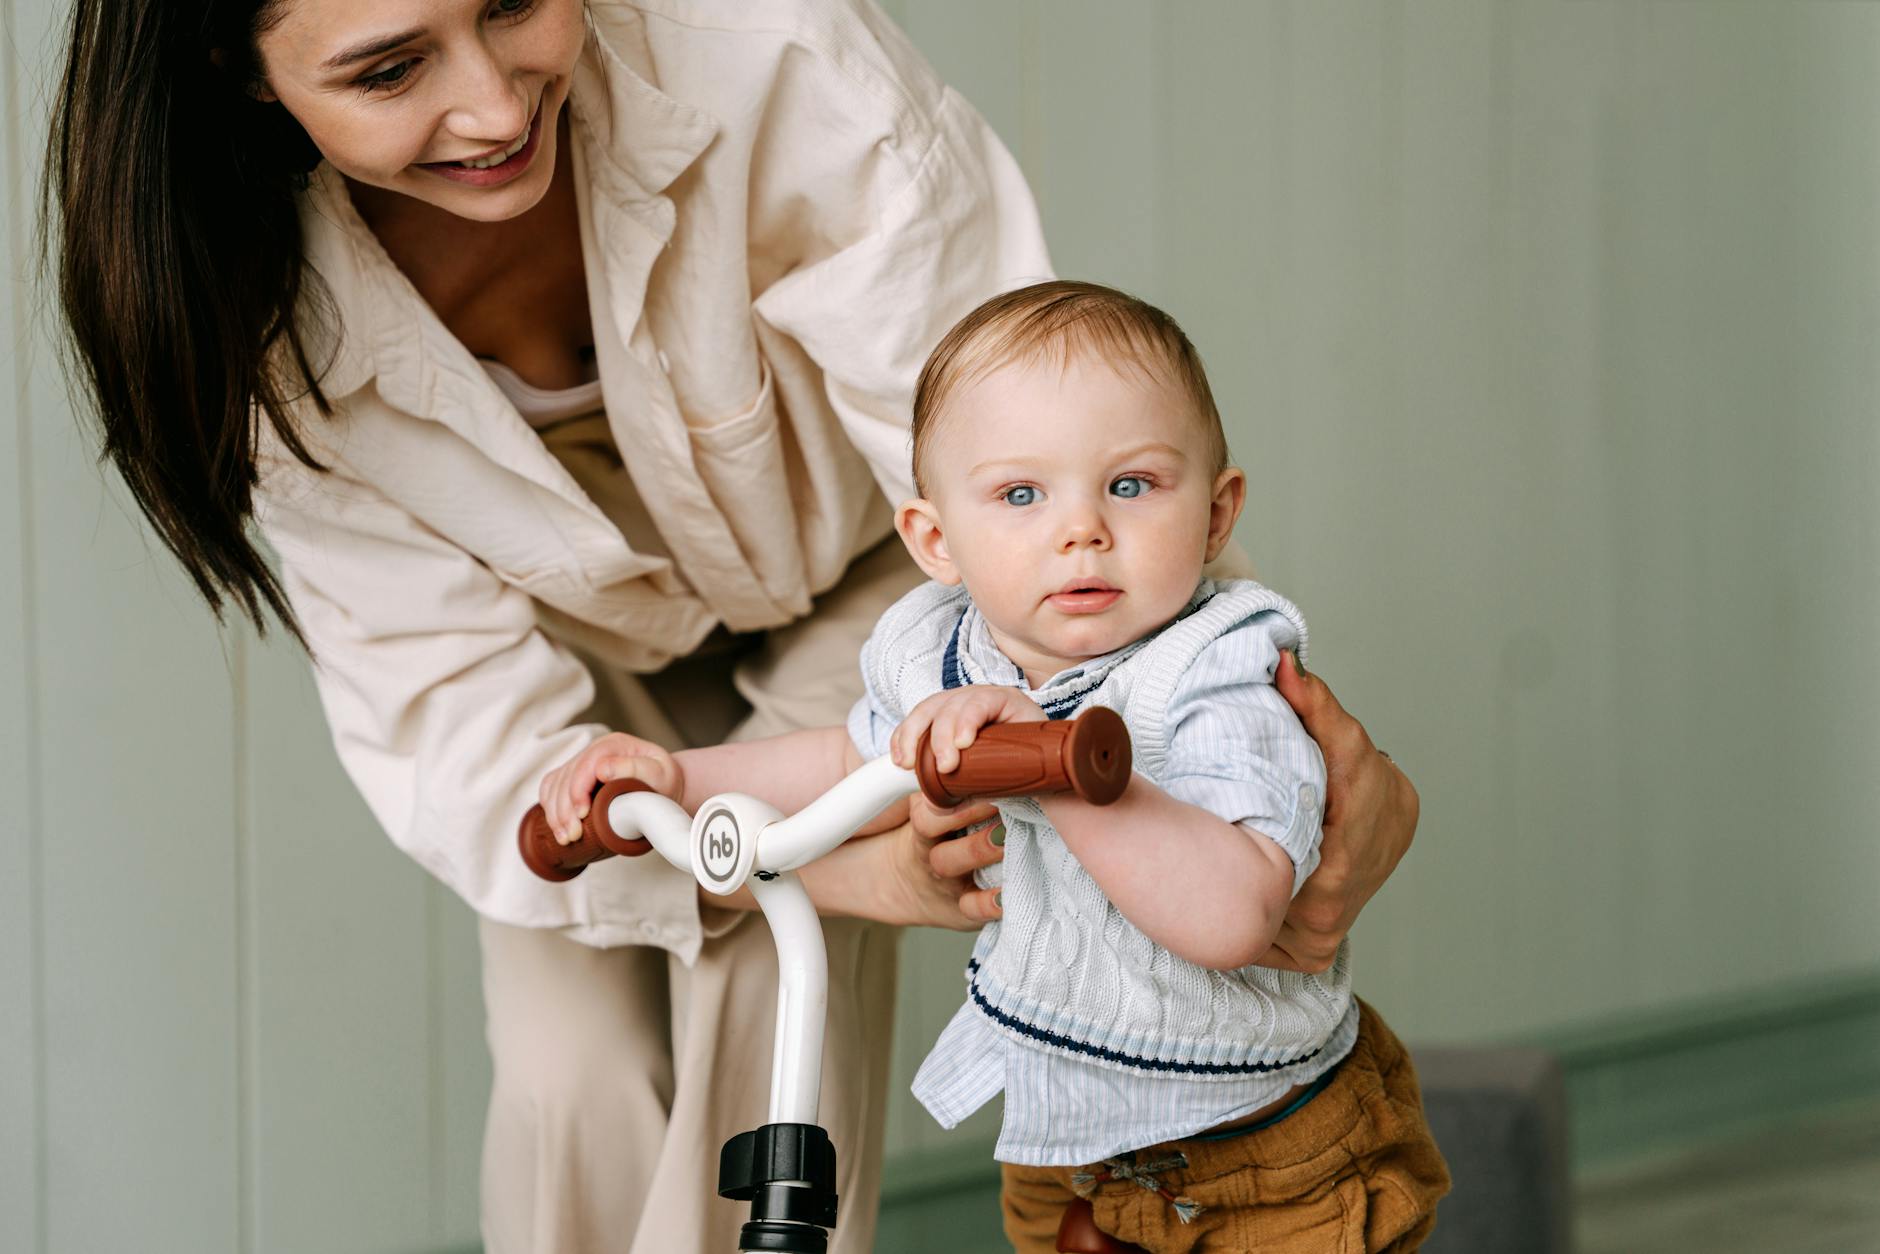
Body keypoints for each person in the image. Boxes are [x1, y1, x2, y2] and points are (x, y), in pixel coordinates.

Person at [45, 0, 1423, 1249]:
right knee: (566, 1066)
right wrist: (819, 863)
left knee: (771, 987)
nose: (492, 105)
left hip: (895, 590)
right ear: (236, 64)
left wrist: (1261, 740)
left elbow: (1041, 468)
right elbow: (463, 737)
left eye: (517, 3)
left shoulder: (773, 53)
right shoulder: (249, 327)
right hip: (576, 670)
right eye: (392, 67)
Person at [551, 281, 1450, 1252]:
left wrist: (1055, 766)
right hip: (1064, 1129)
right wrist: (673, 780)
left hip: (1258, 1150)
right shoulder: (945, 655)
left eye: (1131, 485)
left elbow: (1233, 916)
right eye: (1021, 495)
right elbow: (845, 761)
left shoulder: (1215, 675)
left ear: (1216, 513)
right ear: (936, 541)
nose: (1081, 530)